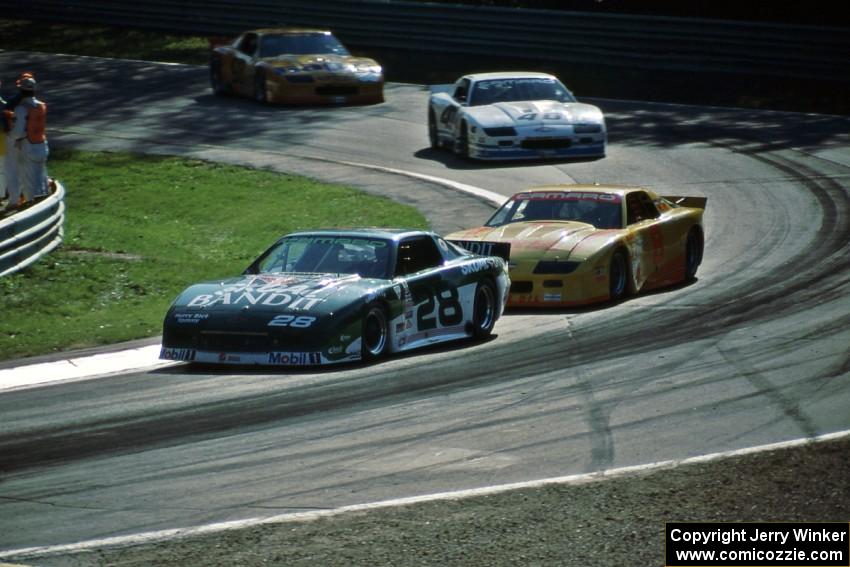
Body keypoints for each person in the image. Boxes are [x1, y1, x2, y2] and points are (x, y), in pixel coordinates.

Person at [6, 73, 48, 210]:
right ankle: (43, 203)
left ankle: (31, 207)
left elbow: (18, 132)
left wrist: (9, 135)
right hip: (42, 144)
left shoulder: (21, 108)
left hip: (28, 146)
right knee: (40, 177)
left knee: (28, 180)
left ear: (21, 90)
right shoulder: (41, 106)